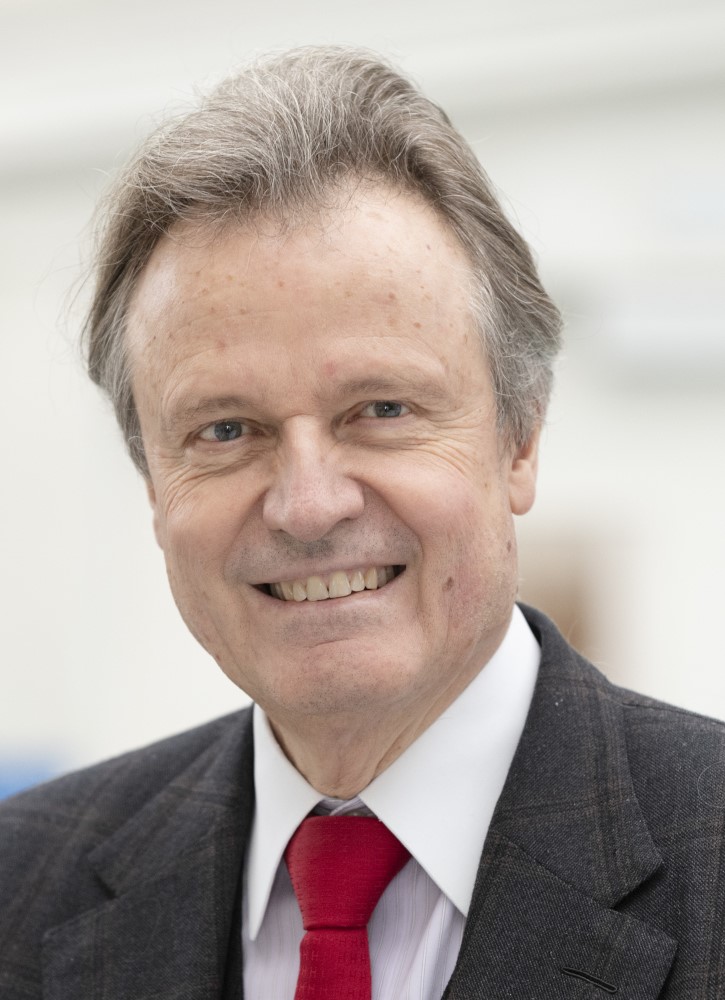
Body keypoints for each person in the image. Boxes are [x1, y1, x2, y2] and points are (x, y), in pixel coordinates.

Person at [1, 45, 723, 1000]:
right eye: (225, 430)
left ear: (519, 440)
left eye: (381, 410)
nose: (307, 506)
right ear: (153, 483)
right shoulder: (20, 889)